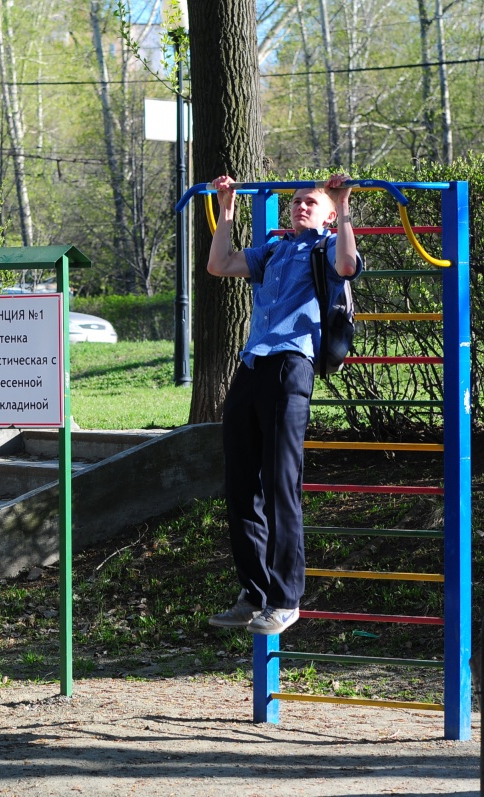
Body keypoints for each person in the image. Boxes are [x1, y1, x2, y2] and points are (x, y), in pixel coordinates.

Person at [205, 174, 361, 636]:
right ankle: (254, 592)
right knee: (240, 485)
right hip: (252, 366)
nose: (299, 207)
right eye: (295, 201)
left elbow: (349, 266)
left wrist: (344, 203)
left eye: (310, 202)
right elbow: (220, 264)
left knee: (280, 485)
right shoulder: (273, 250)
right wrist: (228, 209)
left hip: (291, 367)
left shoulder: (326, 249)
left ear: (328, 213)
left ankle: (286, 598)